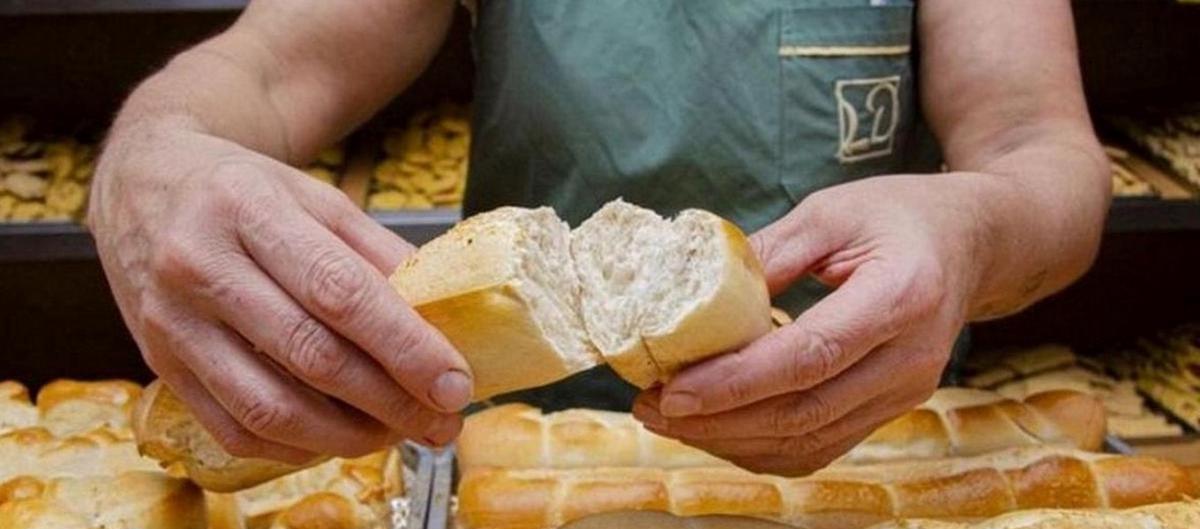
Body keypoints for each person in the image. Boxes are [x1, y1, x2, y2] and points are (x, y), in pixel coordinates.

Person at [88, 0, 1110, 476]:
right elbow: (270, 68)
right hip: (526, 466)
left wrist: (974, 234)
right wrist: (155, 149)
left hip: (874, 450)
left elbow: (1042, 151)